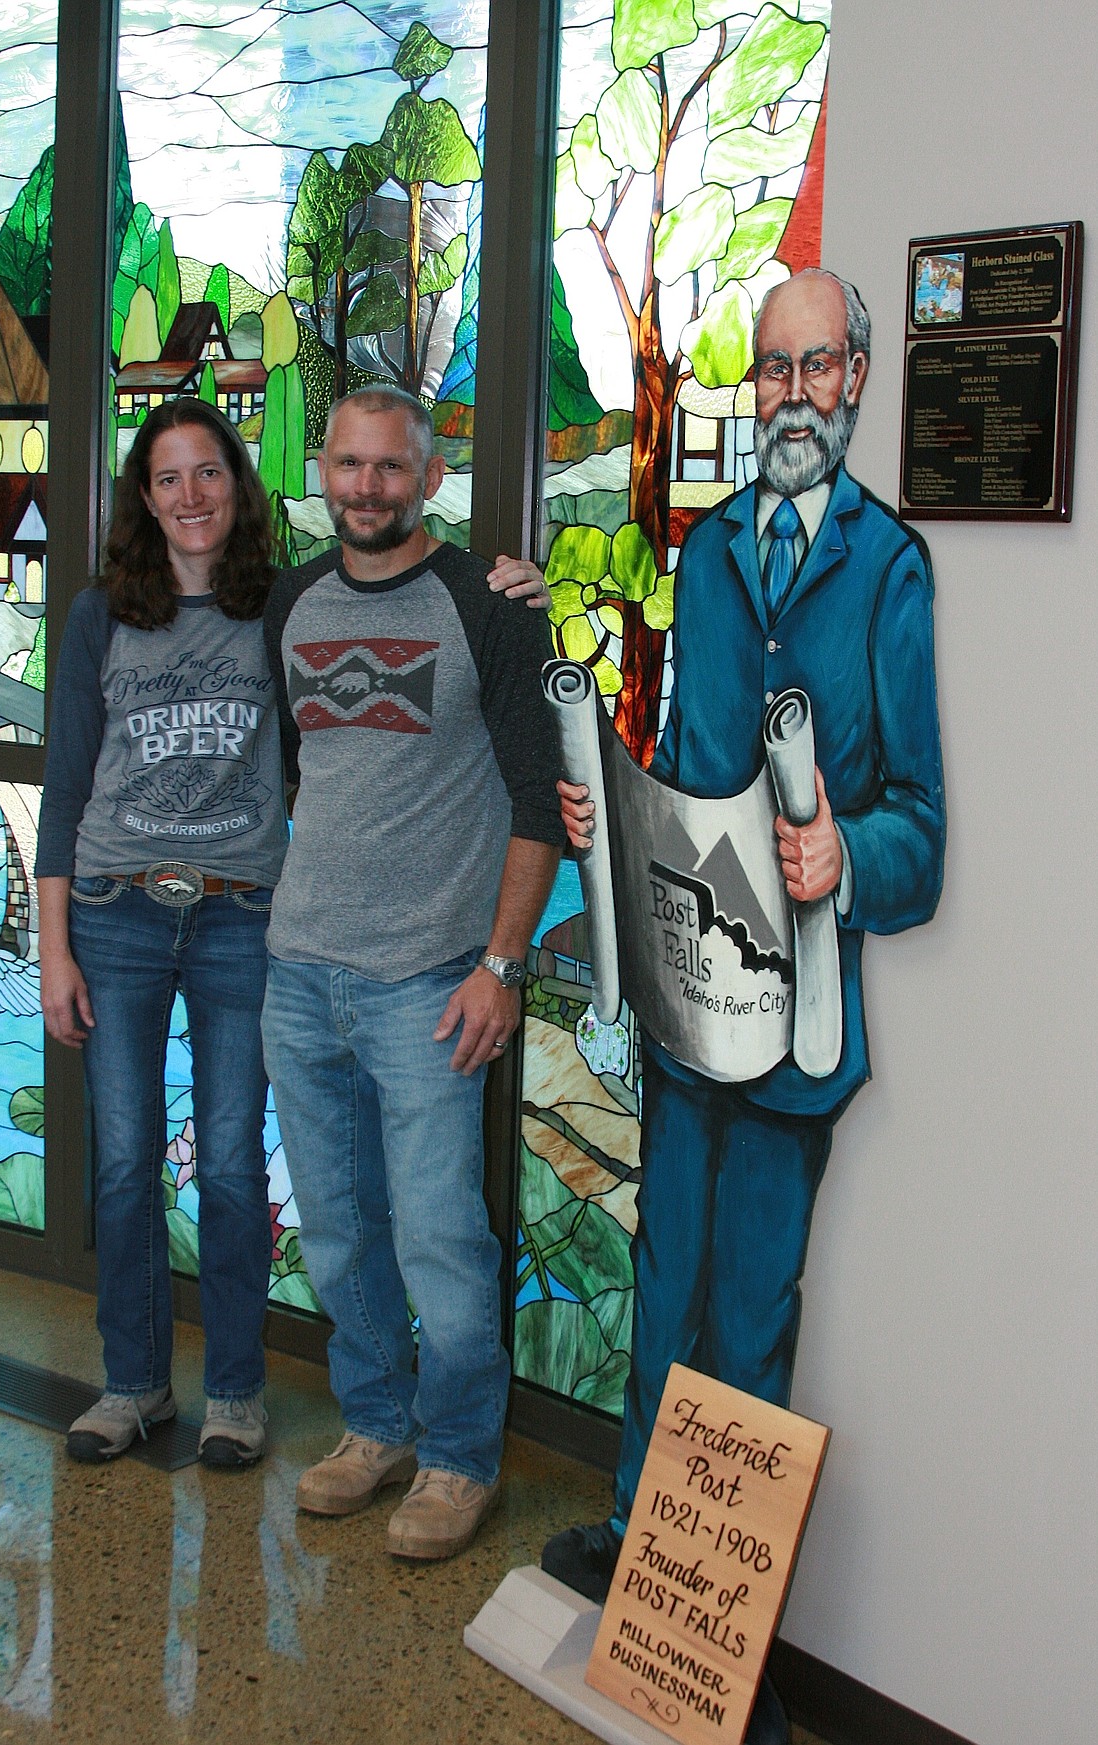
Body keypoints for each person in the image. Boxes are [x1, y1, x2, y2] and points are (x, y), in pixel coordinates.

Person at [543, 271, 945, 1741]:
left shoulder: (890, 568)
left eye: (811, 367)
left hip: (798, 1031)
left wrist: (848, 851)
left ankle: (729, 1637)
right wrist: (616, 800)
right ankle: (635, 1544)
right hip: (685, 1002)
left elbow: (925, 830)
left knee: (750, 1321)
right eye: (766, 370)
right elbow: (691, 762)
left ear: (852, 380)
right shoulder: (705, 554)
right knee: (663, 1286)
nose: (786, 394)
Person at [260, 385, 565, 1561]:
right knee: (337, 1229)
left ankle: (458, 1456)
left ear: (427, 477)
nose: (367, 486)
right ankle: (377, 1424)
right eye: (348, 463)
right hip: (302, 973)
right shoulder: (292, 600)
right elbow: (302, 772)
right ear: (323, 470)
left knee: (441, 1234)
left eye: (391, 467)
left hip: (429, 984)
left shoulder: (484, 606)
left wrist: (501, 962)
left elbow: (541, 797)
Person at [37, 398, 289, 1467]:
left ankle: (234, 1392)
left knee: (230, 1164)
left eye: (210, 473)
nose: (191, 496)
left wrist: (499, 583)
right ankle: (133, 1383)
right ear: (145, 497)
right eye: (169, 478)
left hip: (243, 918)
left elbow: (400, 581)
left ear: (238, 485)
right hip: (116, 913)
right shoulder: (101, 616)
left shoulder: (286, 608)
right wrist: (51, 949)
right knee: (128, 1162)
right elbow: (62, 788)